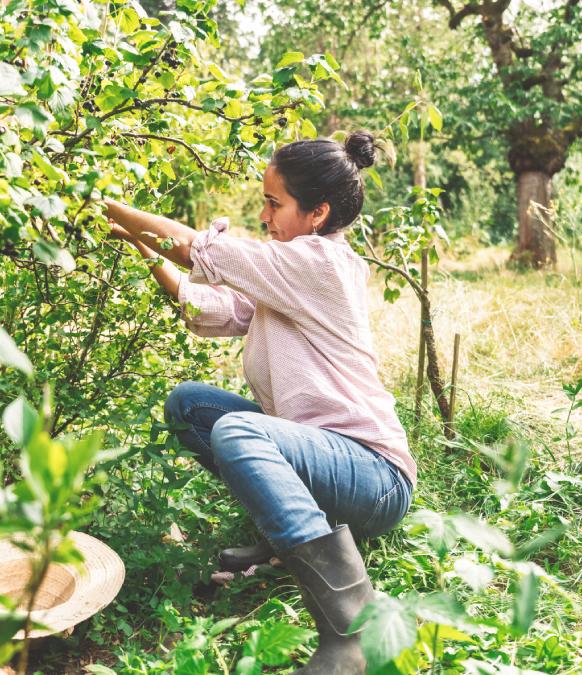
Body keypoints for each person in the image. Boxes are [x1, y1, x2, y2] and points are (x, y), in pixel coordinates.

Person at [103, 131, 415, 674]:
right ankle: (283, 544)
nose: (265, 215)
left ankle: (350, 628)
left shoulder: (319, 263)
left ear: (317, 213)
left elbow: (203, 251)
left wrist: (107, 204)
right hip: (325, 462)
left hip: (373, 475)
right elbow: (210, 310)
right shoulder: (289, 266)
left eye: (275, 204)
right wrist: (143, 247)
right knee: (191, 406)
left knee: (239, 433)